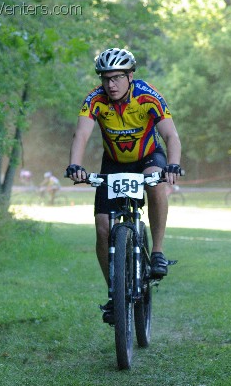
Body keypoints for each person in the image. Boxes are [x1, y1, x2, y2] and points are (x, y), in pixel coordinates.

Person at [65, 48, 182, 324]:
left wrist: (173, 165)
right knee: (103, 226)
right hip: (114, 163)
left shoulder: (148, 95)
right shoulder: (95, 100)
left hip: (148, 156)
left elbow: (171, 135)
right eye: (105, 79)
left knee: (156, 184)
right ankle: (114, 293)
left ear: (131, 76)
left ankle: (157, 252)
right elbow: (81, 134)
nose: (111, 84)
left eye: (117, 77)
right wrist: (75, 165)